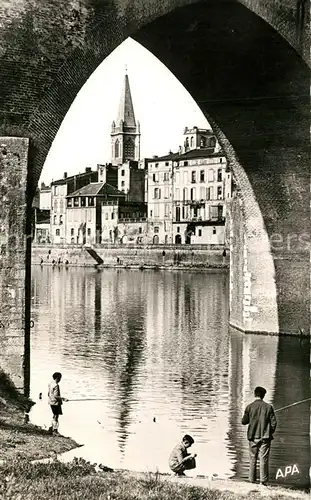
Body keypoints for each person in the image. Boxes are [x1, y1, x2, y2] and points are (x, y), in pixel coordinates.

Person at [242, 386, 277, 486]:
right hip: (265, 438)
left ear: (255, 394)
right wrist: (269, 433)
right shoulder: (269, 407)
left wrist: (249, 417)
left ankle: (251, 481)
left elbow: (244, 421)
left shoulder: (249, 407)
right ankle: (263, 482)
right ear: (263, 395)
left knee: (252, 458)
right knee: (263, 459)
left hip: (252, 437)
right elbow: (274, 423)